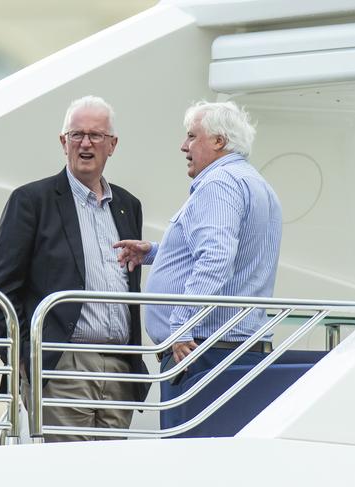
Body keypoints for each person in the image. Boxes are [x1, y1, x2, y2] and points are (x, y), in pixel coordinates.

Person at [0, 95, 149, 442]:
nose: (86, 143)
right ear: (63, 142)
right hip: (61, 365)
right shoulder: (32, 201)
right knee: (64, 473)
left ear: (113, 145)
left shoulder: (128, 206)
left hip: (121, 368)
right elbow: (2, 292)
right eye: (76, 135)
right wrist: (21, 361)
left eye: (96, 135)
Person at [115, 100, 282, 431]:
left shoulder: (219, 185)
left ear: (218, 141)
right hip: (231, 350)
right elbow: (230, 256)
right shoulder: (255, 183)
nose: (183, 146)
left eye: (192, 136)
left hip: (202, 353)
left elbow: (215, 258)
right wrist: (155, 253)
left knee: (191, 463)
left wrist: (180, 326)